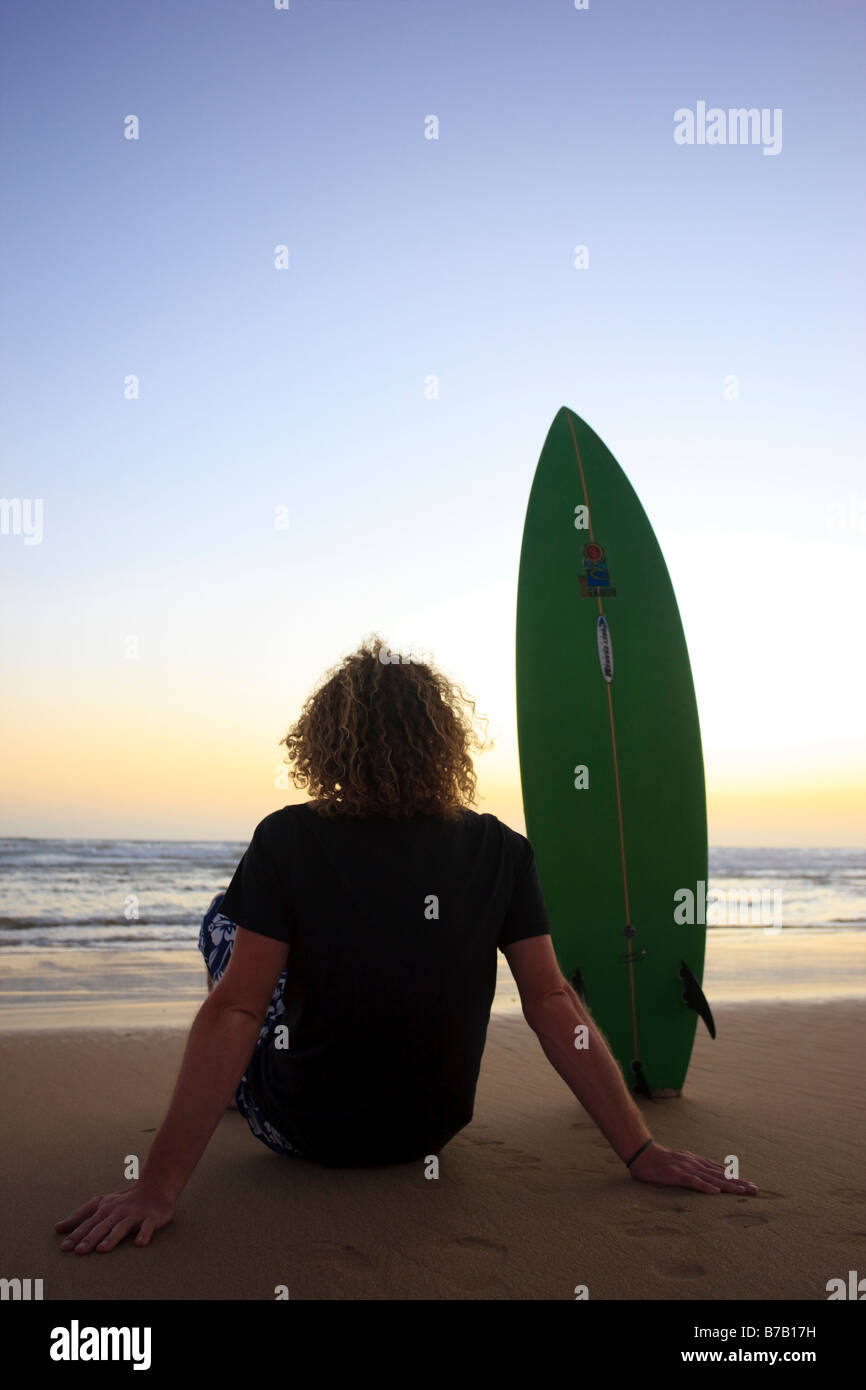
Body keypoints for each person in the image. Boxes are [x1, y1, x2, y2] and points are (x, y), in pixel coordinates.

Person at [55, 634, 757, 1256]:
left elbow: (235, 1010)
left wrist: (155, 1190)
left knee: (221, 923)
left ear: (325, 741)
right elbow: (551, 1002)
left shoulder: (288, 839)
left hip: (304, 1131)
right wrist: (639, 1149)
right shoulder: (500, 850)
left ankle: (244, 1090)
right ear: (443, 741)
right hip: (428, 1135)